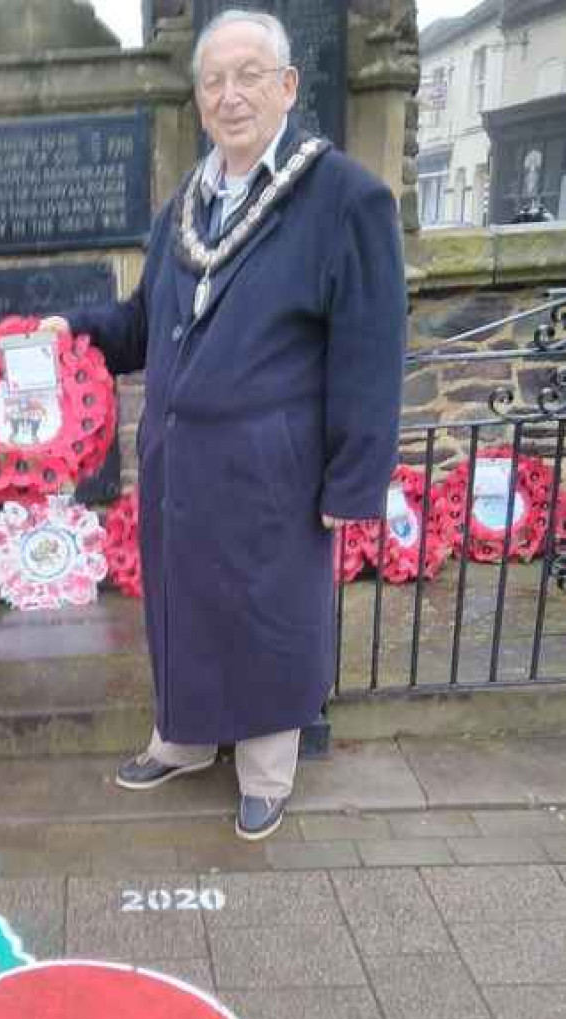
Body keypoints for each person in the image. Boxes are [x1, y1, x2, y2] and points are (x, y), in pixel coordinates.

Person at [41, 7, 406, 841]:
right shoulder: (184, 206)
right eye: (214, 81)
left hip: (275, 468)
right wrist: (77, 328)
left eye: (248, 76)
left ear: (287, 86)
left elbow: (372, 348)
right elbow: (144, 322)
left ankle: (267, 769)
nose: (230, 95)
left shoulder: (344, 197)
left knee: (268, 610)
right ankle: (185, 740)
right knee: (186, 608)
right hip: (181, 467)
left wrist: (353, 480)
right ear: (200, 100)